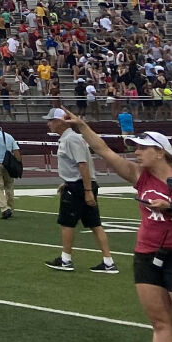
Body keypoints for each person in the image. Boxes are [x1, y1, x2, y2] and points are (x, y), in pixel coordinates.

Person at [57, 114, 172, 342]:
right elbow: (104, 151)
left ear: (160, 151)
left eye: (142, 147)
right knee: (160, 322)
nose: (136, 151)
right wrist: (82, 127)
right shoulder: (139, 176)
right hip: (147, 254)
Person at [44, 107, 117, 275]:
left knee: (67, 223)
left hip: (79, 187)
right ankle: (108, 262)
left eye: (51, 120)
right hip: (78, 184)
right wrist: (68, 182)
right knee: (94, 224)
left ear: (60, 122)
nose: (48, 124)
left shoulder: (71, 139)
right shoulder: (68, 138)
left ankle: (66, 259)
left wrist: (86, 190)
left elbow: (82, 164)